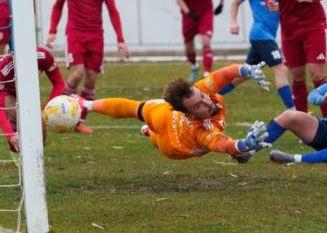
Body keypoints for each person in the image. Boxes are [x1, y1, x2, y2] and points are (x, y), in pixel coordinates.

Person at [79, 63, 271, 163]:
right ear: (189, 114)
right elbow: (223, 144)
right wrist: (243, 144)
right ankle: (84, 104)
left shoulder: (202, 89)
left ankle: (148, 130)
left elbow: (225, 74)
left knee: (144, 112)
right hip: (172, 145)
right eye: (197, 106)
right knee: (137, 110)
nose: (206, 101)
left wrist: (247, 70)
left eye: (201, 96)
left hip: (170, 121)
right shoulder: (201, 129)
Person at [46, 0, 129, 134]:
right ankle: (54, 110)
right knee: (77, 74)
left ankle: (78, 121)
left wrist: (120, 39)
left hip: (95, 36)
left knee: (91, 79)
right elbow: (58, 5)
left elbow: (113, 11)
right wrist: (52, 30)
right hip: (74, 34)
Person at [228, 0, 293, 109]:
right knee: (280, 68)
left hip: (267, 36)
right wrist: (233, 22)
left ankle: (214, 93)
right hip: (260, 35)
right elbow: (235, 3)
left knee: (246, 74)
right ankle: (293, 109)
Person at [0, 46, 66, 154]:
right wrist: (10, 136)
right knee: (18, 115)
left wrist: (46, 109)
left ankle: (33, 159)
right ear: (12, 56)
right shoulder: (0, 70)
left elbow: (59, 84)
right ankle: (15, 149)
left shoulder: (43, 56)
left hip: (28, 93)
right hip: (7, 93)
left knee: (40, 128)